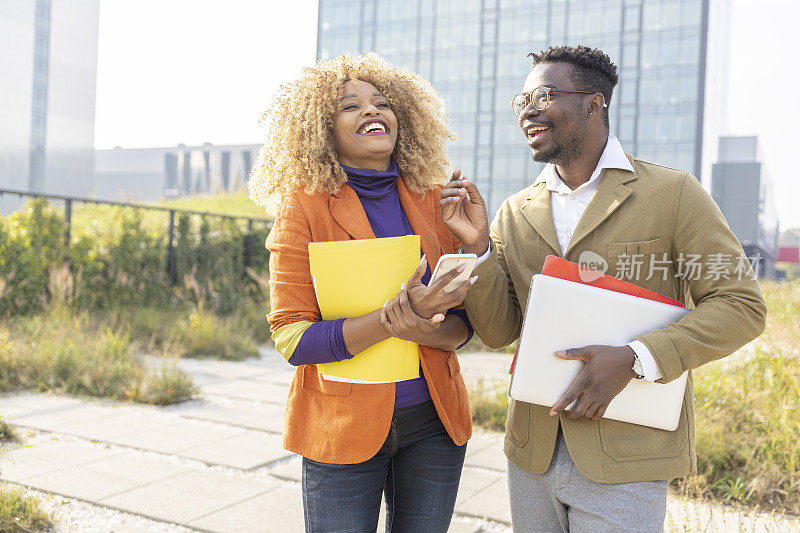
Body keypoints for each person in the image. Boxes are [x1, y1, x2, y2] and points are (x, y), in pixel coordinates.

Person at [440, 45, 767, 532]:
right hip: (533, 451)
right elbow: (499, 331)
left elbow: (741, 306)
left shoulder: (673, 194)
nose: (528, 108)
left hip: (627, 451)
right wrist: (479, 251)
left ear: (594, 103)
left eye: (545, 95)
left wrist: (637, 355)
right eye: (522, 99)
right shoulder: (514, 212)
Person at [248, 52, 475, 532]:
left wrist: (478, 243)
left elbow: (464, 327)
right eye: (351, 106)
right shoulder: (303, 207)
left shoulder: (434, 198)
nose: (372, 111)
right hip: (343, 425)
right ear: (322, 130)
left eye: (382, 102)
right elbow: (292, 339)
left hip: (434, 423)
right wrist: (399, 315)